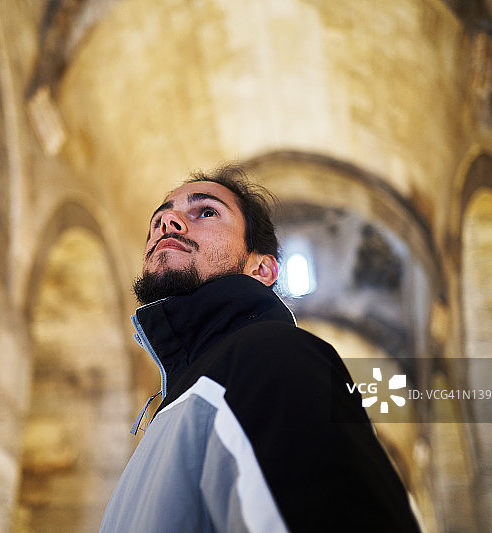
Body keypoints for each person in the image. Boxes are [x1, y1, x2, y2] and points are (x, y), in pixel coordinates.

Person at [99, 164, 421, 532]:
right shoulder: (175, 408)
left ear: (262, 269)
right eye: (159, 218)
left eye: (206, 212)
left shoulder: (272, 357)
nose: (168, 222)